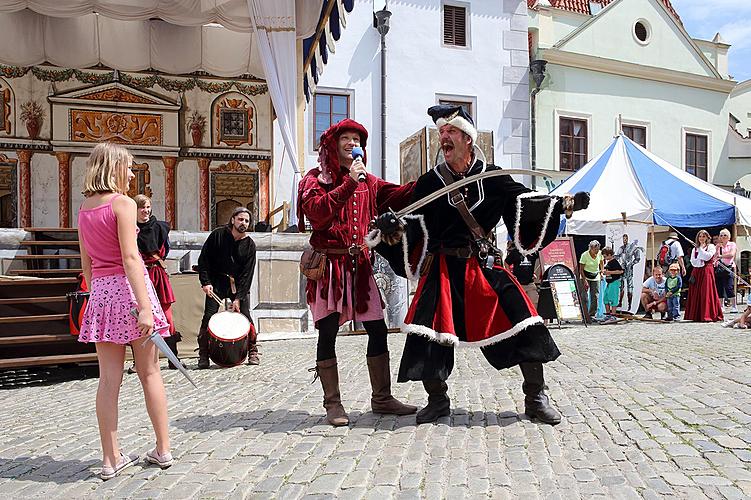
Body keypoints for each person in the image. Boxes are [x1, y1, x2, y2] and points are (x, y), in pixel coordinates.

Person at [372, 105, 589, 425]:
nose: (443, 138)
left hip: (481, 265)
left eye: (451, 133)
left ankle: (536, 397)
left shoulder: (493, 177)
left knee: (523, 321)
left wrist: (563, 204)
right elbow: (409, 218)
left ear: (468, 140)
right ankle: (437, 400)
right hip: (443, 267)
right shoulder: (431, 182)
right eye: (441, 134)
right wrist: (391, 228)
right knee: (425, 332)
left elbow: (526, 202)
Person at [297, 118, 417, 426]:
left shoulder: (369, 181)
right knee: (328, 332)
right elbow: (319, 215)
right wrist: (349, 181)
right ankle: (332, 404)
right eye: (346, 138)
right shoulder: (315, 179)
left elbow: (399, 194)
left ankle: (382, 398)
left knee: (377, 329)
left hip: (360, 266)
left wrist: (431, 180)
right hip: (330, 268)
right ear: (332, 145)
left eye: (356, 138)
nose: (352, 142)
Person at [77, 143, 173, 480]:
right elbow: (131, 258)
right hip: (131, 293)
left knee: (108, 380)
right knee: (149, 373)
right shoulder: (122, 203)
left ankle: (110, 459)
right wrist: (145, 307)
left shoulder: (84, 208)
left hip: (101, 294)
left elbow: (86, 264)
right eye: (129, 167)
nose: (132, 174)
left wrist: (100, 293)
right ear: (113, 167)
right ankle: (162, 449)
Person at [196, 207, 259, 368]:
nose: (243, 223)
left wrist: (238, 298)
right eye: (240, 219)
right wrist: (206, 282)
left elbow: (247, 274)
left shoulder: (250, 245)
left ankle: (252, 350)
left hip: (238, 284)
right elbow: (204, 260)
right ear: (232, 220)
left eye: (246, 220)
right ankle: (203, 354)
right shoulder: (218, 235)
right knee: (208, 316)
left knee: (245, 315)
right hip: (216, 281)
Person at [128, 195, 183, 372]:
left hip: (157, 275)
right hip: (138, 275)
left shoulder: (161, 227)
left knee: (167, 317)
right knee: (140, 318)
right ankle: (139, 362)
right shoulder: (129, 228)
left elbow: (165, 249)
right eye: (142, 207)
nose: (146, 211)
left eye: (148, 207)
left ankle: (174, 358)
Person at [685, 229, 723, 322]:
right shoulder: (695, 248)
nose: (701, 238)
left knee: (706, 291)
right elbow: (693, 261)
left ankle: (707, 314)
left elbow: (707, 257)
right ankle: (696, 315)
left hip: (707, 271)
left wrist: (701, 250)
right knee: (696, 292)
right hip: (697, 271)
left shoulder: (711, 246)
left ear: (707, 237)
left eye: (703, 236)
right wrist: (700, 259)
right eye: (700, 236)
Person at [614, 234, 644, 311]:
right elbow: (617, 256)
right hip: (622, 268)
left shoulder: (632, 247)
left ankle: (630, 304)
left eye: (625, 239)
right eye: (623, 239)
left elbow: (637, 258)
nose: (624, 240)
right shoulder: (621, 248)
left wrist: (631, 263)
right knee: (621, 286)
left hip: (629, 269)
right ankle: (620, 302)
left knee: (630, 287)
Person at [579, 241, 604, 322]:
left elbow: (601, 262)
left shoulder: (600, 253)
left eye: (598, 249)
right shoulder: (584, 255)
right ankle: (585, 315)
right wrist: (584, 280)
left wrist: (601, 272)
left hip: (595, 275)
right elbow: (581, 270)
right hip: (585, 275)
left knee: (595, 296)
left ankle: (592, 314)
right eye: (595, 250)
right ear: (591, 248)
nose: (597, 251)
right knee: (584, 296)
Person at [714, 228, 737, 313]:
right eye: (721, 235)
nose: (723, 237)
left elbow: (731, 254)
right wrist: (717, 250)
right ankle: (721, 306)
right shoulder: (718, 246)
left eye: (725, 235)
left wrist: (721, 256)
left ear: (728, 237)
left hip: (728, 267)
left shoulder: (732, 244)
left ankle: (734, 306)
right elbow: (714, 257)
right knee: (719, 287)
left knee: (729, 287)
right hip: (719, 268)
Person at [601, 247, 623, 321]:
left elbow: (620, 271)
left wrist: (609, 272)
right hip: (609, 283)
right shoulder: (609, 262)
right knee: (605, 298)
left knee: (613, 298)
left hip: (614, 282)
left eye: (605, 256)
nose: (604, 258)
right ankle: (608, 314)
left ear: (610, 255)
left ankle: (613, 315)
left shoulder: (614, 262)